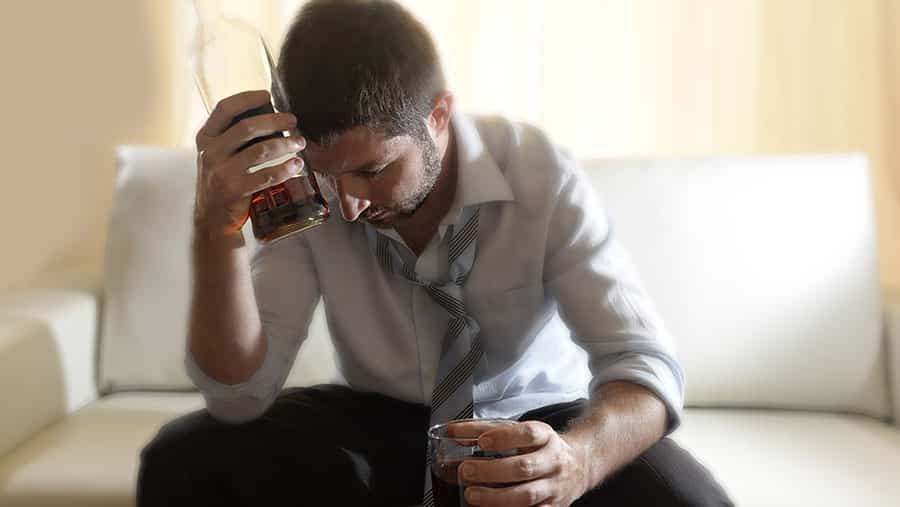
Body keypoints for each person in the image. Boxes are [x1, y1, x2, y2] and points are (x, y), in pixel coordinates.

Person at [138, 0, 733, 505]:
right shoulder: (311, 192)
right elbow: (240, 392)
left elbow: (642, 363)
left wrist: (577, 460)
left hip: (536, 418)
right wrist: (214, 233)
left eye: (373, 170)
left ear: (439, 116)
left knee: (688, 498)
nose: (347, 206)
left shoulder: (537, 171)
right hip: (379, 415)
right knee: (183, 458)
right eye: (328, 176)